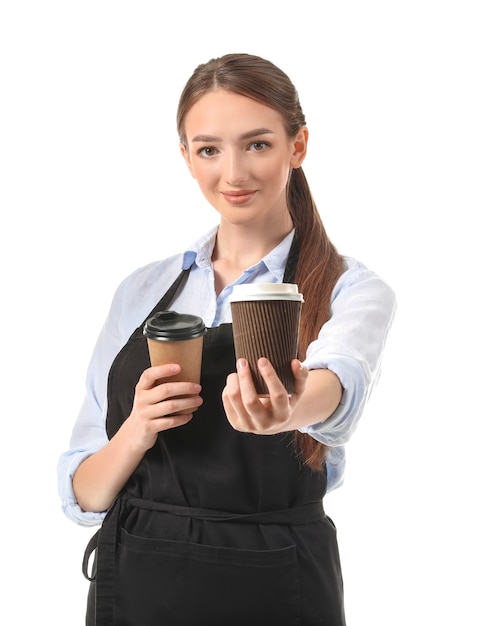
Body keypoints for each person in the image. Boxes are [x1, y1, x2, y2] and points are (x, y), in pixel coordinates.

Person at [58, 53, 396, 625]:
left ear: (298, 146)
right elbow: (85, 493)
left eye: (258, 144)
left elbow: (337, 385)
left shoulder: (350, 289)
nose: (233, 173)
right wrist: (138, 430)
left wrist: (286, 408)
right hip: (138, 586)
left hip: (276, 589)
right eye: (209, 149)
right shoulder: (142, 290)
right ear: (186, 157)